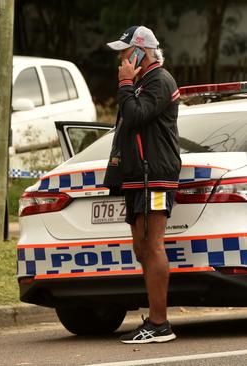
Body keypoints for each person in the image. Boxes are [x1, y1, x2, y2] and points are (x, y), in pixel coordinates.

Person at [104, 25, 181, 343]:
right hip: (138, 177)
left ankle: (160, 323)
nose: (121, 58)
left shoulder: (159, 80)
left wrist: (124, 83)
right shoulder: (141, 83)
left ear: (141, 52)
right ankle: (154, 316)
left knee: (152, 245)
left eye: (125, 51)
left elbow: (136, 116)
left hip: (156, 176)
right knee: (141, 248)